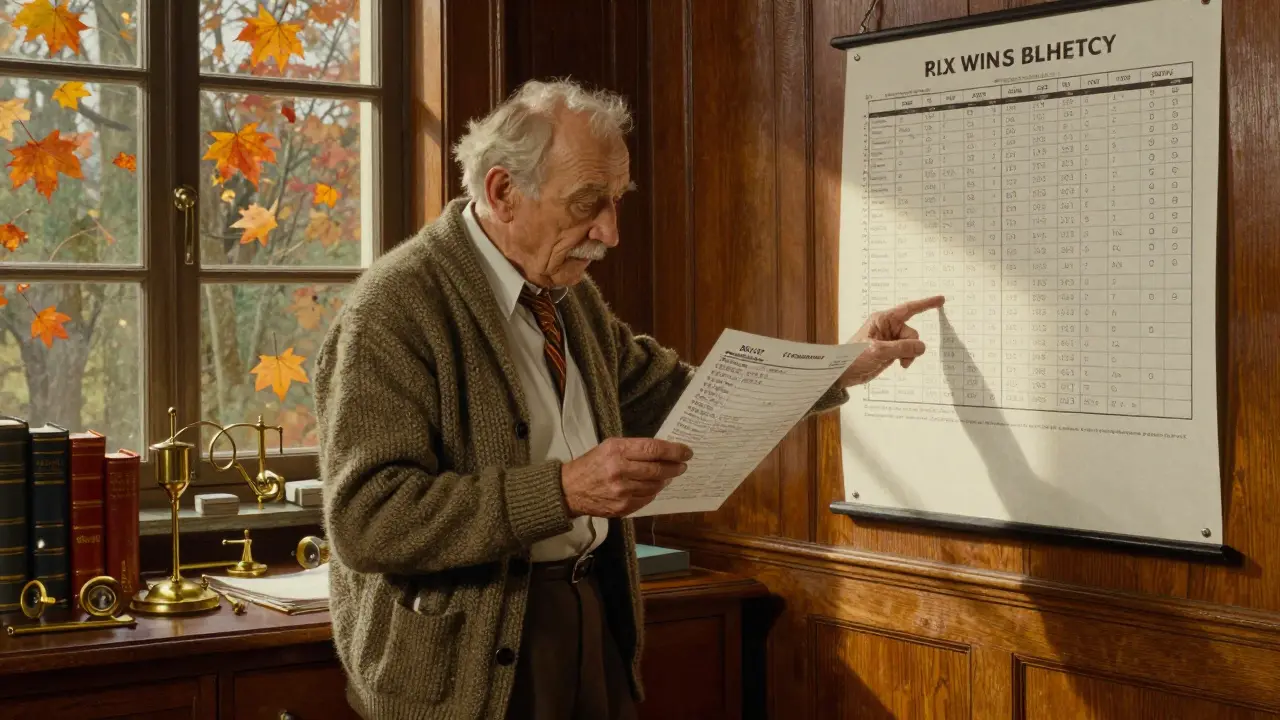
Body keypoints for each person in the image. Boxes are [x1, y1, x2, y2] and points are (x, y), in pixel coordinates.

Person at [313, 78, 943, 720]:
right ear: (504, 192)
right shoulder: (393, 309)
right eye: (589, 203)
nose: (610, 233)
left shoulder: (569, 295)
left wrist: (842, 366)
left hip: (590, 623)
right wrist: (563, 492)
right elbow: (368, 520)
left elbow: (688, 398)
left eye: (616, 202)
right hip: (457, 671)